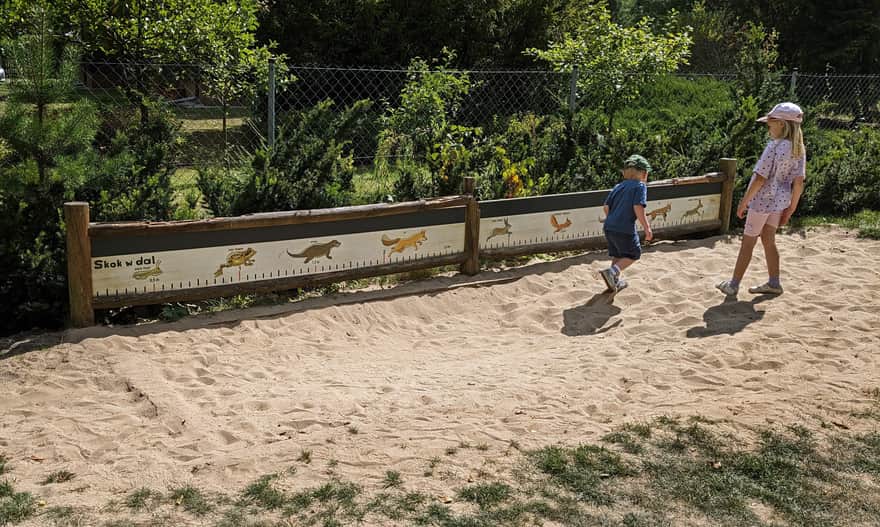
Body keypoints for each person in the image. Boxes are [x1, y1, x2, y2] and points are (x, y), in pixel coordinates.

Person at [716, 102, 806, 296]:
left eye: (770, 123)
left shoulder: (774, 147)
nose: (768, 127)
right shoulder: (798, 149)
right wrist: (791, 209)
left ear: (781, 124)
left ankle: (733, 284)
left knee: (748, 243)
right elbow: (799, 183)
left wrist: (744, 202)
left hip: (761, 201)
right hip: (779, 203)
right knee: (768, 240)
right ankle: (774, 282)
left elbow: (760, 178)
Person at [598, 154, 654, 293]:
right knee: (633, 254)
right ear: (644, 173)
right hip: (624, 227)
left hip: (609, 226)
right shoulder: (640, 186)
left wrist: (613, 219)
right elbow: (638, 207)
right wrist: (647, 227)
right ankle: (612, 272)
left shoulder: (618, 186)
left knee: (618, 254)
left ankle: (614, 281)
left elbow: (606, 207)